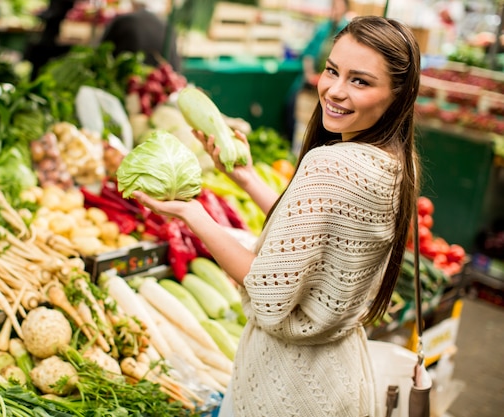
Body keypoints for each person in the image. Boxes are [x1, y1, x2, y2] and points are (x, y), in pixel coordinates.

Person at [133, 15, 422, 417]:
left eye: (360, 81)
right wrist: (248, 179)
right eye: (332, 71)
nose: (335, 91)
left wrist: (191, 213)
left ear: (399, 93)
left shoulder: (331, 164)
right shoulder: (394, 161)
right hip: (340, 378)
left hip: (288, 386)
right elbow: (309, 233)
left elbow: (265, 285)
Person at [284, 0, 351, 150]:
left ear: (345, 9)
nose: (334, 10)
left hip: (328, 84)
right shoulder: (323, 28)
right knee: (293, 108)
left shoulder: (347, 31)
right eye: (332, 7)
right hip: (312, 83)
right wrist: (310, 74)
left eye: (338, 7)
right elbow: (308, 53)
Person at [99, 0, 181, 71]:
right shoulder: (169, 28)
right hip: (162, 85)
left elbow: (100, 55)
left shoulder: (123, 21)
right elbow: (175, 67)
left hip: (125, 83)